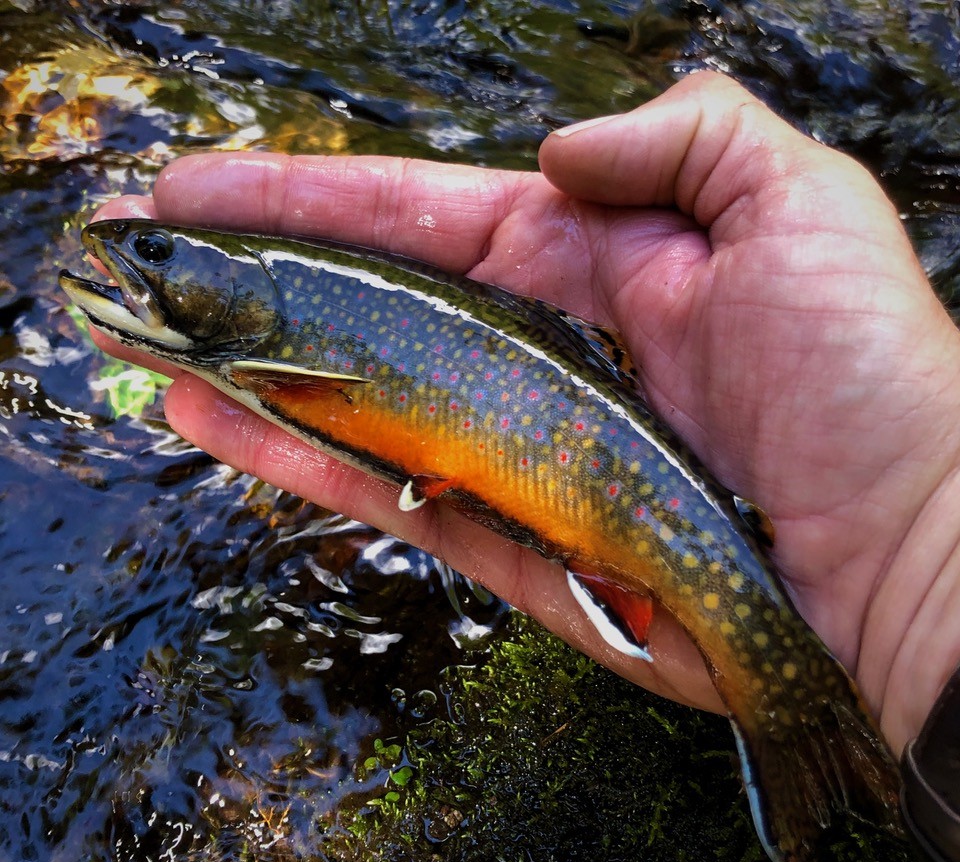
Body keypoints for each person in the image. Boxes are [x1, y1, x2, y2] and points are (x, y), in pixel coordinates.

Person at [90, 71, 960, 765]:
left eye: (157, 252)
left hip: (618, 479)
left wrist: (918, 553)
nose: (135, 254)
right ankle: (808, 714)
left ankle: (792, 707)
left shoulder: (275, 344)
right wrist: (916, 567)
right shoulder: (267, 346)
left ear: (251, 294)